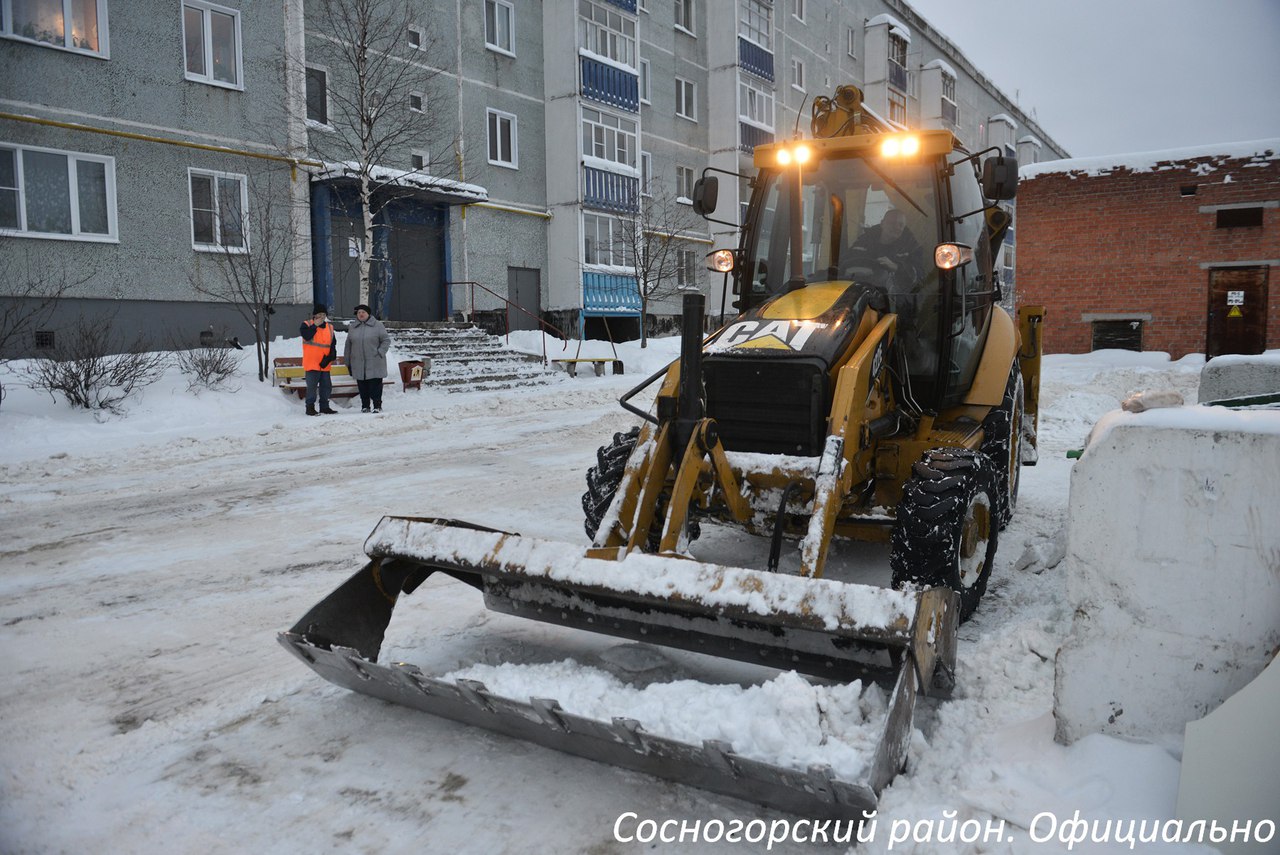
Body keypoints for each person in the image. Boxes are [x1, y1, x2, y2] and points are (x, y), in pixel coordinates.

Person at [846, 208, 924, 290]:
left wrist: (896, 267)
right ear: (882, 223)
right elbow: (844, 265)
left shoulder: (912, 249)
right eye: (892, 223)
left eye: (901, 225)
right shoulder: (863, 242)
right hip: (858, 293)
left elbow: (919, 281)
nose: (896, 227)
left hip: (894, 299)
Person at [343, 304, 390, 413]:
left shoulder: (377, 325)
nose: (361, 314)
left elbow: (386, 340)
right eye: (359, 312)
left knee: (375, 385)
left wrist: (380, 352)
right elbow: (348, 345)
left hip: (375, 361)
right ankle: (365, 406)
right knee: (362, 386)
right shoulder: (353, 327)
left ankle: (377, 405)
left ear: (368, 314)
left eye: (363, 312)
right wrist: (348, 362)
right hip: (358, 362)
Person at [300, 304, 338, 416]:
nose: (321, 317)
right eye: (319, 314)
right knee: (311, 387)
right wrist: (314, 326)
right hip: (312, 362)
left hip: (324, 363)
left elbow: (333, 344)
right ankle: (310, 407)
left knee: (326, 386)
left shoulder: (330, 328)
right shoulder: (306, 324)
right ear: (314, 315)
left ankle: (324, 407)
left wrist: (331, 356)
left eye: (323, 314)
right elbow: (306, 336)